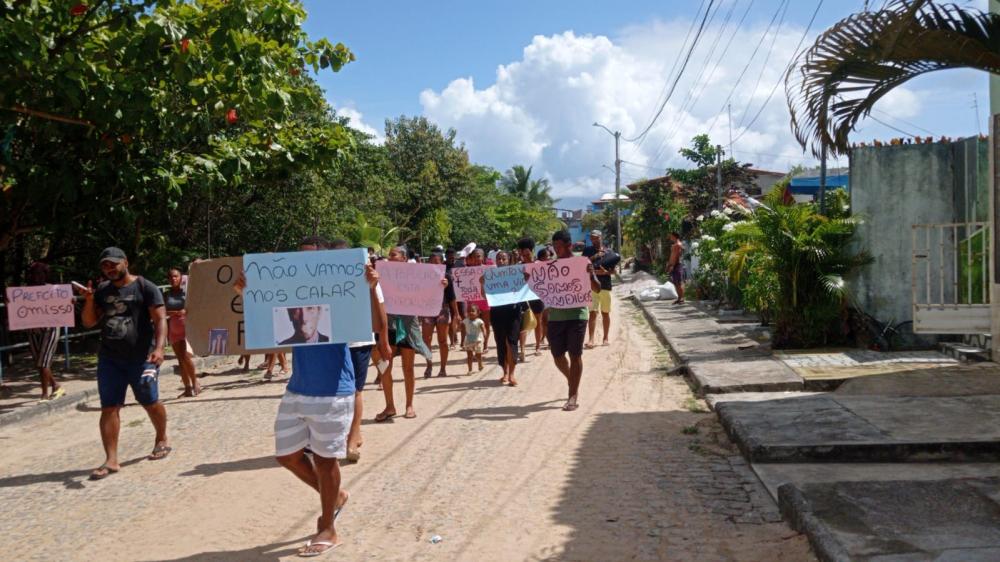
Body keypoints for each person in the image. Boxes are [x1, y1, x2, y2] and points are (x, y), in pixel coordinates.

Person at [234, 235, 384, 556]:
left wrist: (370, 289)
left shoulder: (341, 297)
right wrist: (247, 292)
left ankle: (328, 528)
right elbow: (261, 322)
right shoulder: (291, 296)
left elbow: (377, 324)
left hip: (333, 390)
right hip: (298, 387)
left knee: (326, 460)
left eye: (311, 258)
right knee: (286, 455)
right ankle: (335, 496)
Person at [77, 247, 169, 480]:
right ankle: (111, 460)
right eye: (105, 266)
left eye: (113, 264)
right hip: (110, 359)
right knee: (109, 407)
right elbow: (88, 322)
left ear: (125, 263)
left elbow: (160, 319)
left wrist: (159, 348)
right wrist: (89, 300)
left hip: (142, 357)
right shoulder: (102, 290)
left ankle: (161, 438)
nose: (109, 269)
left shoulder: (146, 287)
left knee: (150, 401)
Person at [331, 239, 391, 464]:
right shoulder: (320, 281)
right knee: (332, 392)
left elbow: (381, 315)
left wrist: (383, 341)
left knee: (355, 390)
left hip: (358, 342)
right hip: (330, 344)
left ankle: (354, 435)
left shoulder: (368, 279)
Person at [375, 246, 433, 422]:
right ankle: (389, 406)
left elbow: (428, 290)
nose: (389, 257)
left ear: (404, 258)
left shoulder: (415, 275)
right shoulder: (381, 274)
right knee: (385, 367)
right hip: (388, 325)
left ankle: (409, 405)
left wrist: (441, 285)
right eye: (389, 255)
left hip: (408, 326)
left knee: (408, 368)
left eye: (393, 254)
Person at [545, 231, 600, 411]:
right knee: (557, 355)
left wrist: (590, 275)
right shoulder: (549, 266)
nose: (556, 250)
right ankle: (572, 379)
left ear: (569, 246)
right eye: (554, 246)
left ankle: (572, 395)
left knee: (575, 355)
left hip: (577, 315)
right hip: (556, 316)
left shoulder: (582, 262)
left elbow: (597, 288)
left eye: (559, 246)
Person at [22, 262, 64, 401]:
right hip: (33, 329)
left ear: (45, 275)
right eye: (34, 273)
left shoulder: (52, 290)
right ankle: (55, 385)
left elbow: (63, 305)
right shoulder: (23, 292)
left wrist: (70, 301)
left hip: (50, 329)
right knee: (39, 362)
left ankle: (44, 394)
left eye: (40, 273)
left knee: (44, 361)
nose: (37, 276)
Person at [486, 251, 524, 386]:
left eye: (503, 259)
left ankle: (512, 374)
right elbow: (485, 295)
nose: (501, 261)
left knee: (512, 342)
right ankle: (505, 372)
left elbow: (524, 288)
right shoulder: (490, 276)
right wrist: (482, 282)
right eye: (498, 259)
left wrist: (525, 278)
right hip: (497, 312)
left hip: (513, 312)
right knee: (500, 342)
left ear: (508, 260)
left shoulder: (516, 274)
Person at [421, 252, 459, 378]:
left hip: (443, 311)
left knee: (442, 341)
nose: (433, 264)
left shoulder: (447, 276)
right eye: (431, 262)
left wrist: (456, 314)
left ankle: (443, 368)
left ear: (442, 263)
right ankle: (429, 365)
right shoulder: (422, 277)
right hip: (427, 311)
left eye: (436, 262)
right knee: (426, 340)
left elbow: (452, 297)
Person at [165, 267, 200, 397]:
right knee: (180, 360)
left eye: (176, 276)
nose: (173, 279)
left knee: (186, 356)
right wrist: (174, 312)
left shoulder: (187, 292)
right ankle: (187, 388)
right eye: (170, 277)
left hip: (187, 328)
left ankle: (195, 382)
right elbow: (161, 310)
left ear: (181, 278)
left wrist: (186, 311)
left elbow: (196, 306)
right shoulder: (166, 294)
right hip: (173, 329)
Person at [582, 230, 620, 348]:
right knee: (592, 313)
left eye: (596, 237)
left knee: (605, 313)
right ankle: (591, 339)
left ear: (600, 237)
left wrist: (605, 272)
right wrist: (595, 256)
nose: (594, 240)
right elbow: (582, 266)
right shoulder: (587, 251)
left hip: (605, 286)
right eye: (592, 238)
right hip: (592, 286)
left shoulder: (609, 252)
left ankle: (605, 338)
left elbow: (613, 271)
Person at [518, 238, 546, 356]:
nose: (525, 257)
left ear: (532, 252)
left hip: (537, 296)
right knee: (523, 322)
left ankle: (538, 346)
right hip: (523, 297)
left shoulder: (539, 265)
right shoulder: (518, 267)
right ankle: (522, 348)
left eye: (527, 254)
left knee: (538, 322)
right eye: (523, 255)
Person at [463, 248, 492, 351]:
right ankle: (474, 345)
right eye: (474, 256)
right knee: (472, 325)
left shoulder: (489, 270)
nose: (476, 258)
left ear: (483, 257)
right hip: (473, 301)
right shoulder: (466, 271)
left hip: (485, 301)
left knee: (486, 324)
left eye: (479, 256)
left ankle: (485, 344)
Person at [462, 305, 486, 373]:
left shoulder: (479, 321)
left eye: (473, 311)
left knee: (478, 355)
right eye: (469, 311)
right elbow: (463, 330)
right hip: (468, 342)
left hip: (477, 342)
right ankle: (470, 370)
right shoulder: (465, 321)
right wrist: (462, 340)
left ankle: (480, 364)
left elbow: (483, 328)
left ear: (478, 313)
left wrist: (484, 333)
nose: (470, 312)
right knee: (469, 356)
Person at [668, 232, 686, 304]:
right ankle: (679, 298)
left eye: (671, 236)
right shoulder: (675, 245)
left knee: (679, 282)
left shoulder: (678, 245)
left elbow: (676, 256)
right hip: (674, 264)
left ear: (674, 236)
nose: (670, 238)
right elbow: (672, 256)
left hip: (677, 265)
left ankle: (682, 298)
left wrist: (672, 265)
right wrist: (669, 264)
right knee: (675, 282)